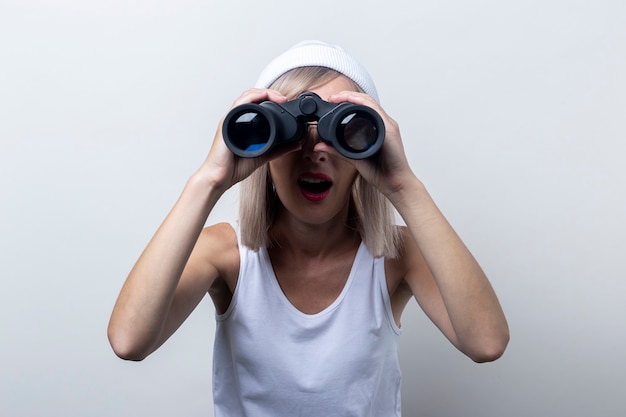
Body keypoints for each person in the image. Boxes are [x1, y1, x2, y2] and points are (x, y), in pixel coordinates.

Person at [107, 40, 509, 416]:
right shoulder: (227, 255)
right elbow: (129, 341)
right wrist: (210, 179)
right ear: (265, 147)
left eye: (341, 132)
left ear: (366, 146)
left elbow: (486, 343)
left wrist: (403, 185)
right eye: (293, 133)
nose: (314, 152)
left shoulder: (396, 256)